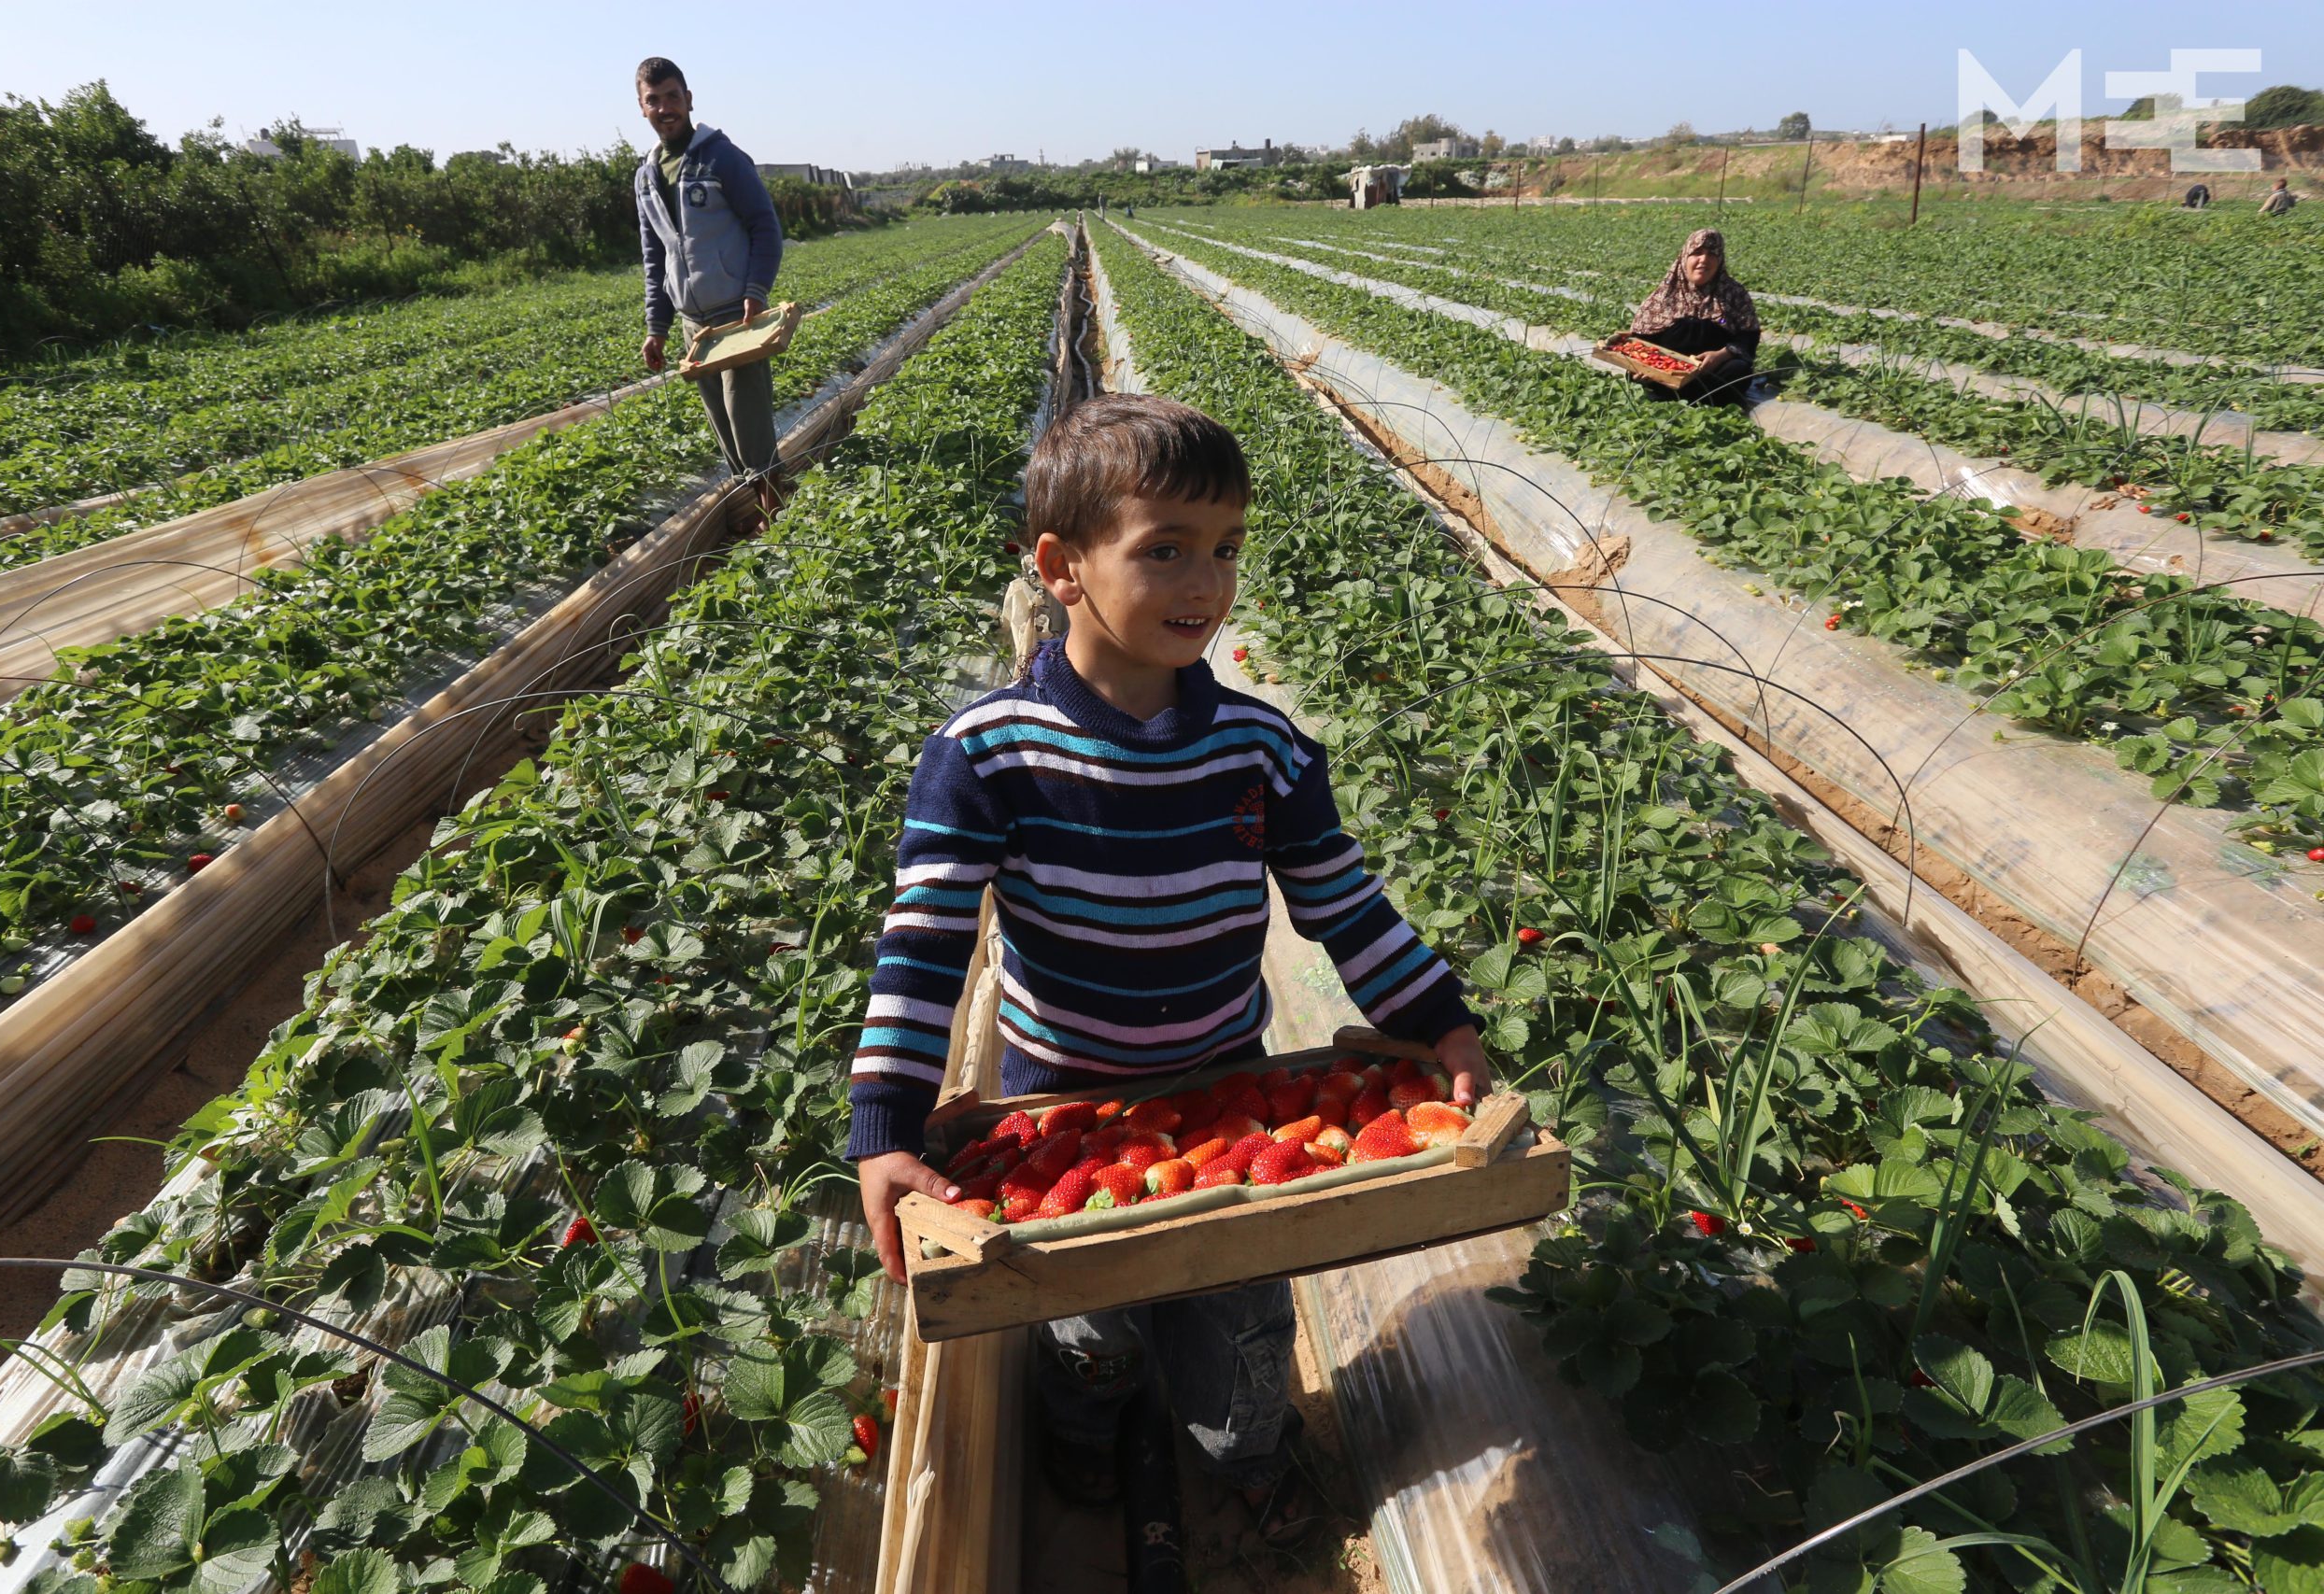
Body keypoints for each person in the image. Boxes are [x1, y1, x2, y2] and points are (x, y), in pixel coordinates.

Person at [848, 394, 1489, 1544]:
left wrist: (1436, 1020)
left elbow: (1341, 901)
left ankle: (1244, 1452)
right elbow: (926, 939)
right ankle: (1088, 1435)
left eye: (1227, 547)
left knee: (1240, 1308)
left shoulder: (1261, 748)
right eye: (1165, 550)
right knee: (1082, 1317)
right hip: (1060, 1103)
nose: (1205, 581)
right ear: (1062, 567)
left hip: (1222, 1087)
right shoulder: (986, 754)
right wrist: (887, 1122)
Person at [631, 56, 785, 488]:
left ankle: (774, 504)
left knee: (747, 418)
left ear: (689, 99)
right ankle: (754, 503)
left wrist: (756, 289)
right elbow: (654, 255)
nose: (665, 108)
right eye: (653, 100)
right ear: (642, 108)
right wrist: (656, 327)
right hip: (692, 323)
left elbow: (764, 226)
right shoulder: (645, 178)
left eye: (672, 97)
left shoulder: (722, 158)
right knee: (721, 423)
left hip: (738, 312)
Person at [1623, 227, 1762, 404]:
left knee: (1738, 369)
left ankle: (1705, 405)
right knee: (1634, 374)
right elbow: (1640, 342)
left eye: (1712, 254)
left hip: (1712, 376)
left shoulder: (1734, 294)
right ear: (1684, 257)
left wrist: (1722, 354)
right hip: (1666, 375)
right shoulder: (1664, 296)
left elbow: (1749, 336)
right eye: (1697, 253)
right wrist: (1643, 369)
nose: (1704, 259)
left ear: (1720, 260)